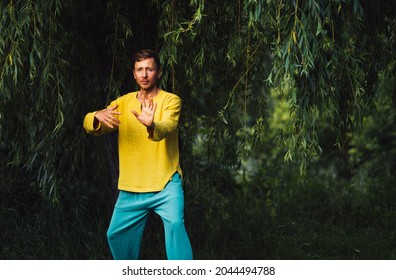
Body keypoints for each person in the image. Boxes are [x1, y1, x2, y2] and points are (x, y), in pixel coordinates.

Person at [83, 49, 193, 260]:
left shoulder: (171, 101)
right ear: (134, 74)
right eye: (139, 70)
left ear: (158, 73)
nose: (144, 74)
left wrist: (151, 124)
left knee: (176, 225)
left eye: (149, 69)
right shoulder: (124, 103)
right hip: (132, 186)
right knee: (115, 235)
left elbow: (168, 126)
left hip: (166, 182)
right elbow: (92, 125)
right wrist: (96, 116)